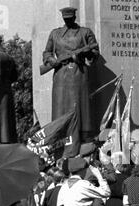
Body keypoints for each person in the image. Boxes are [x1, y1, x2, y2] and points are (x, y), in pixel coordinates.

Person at [42, 7, 100, 142]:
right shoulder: (55, 33)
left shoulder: (85, 32)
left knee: (80, 107)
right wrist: (52, 60)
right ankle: (60, 137)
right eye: (65, 18)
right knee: (60, 107)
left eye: (70, 18)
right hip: (60, 75)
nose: (68, 20)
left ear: (74, 17)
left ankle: (83, 138)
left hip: (78, 74)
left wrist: (85, 53)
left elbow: (95, 52)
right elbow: (47, 52)